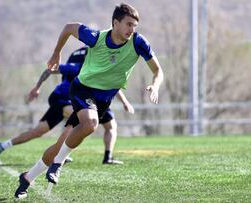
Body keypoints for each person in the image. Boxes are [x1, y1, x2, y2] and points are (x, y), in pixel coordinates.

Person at [14, 3, 164, 198]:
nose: (132, 29)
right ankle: (58, 164)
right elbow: (69, 27)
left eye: (134, 26)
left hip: (103, 99)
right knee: (91, 124)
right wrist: (56, 53)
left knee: (61, 144)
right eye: (128, 24)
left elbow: (158, 70)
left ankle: (27, 177)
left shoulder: (138, 42)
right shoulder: (95, 37)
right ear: (115, 23)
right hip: (82, 89)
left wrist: (155, 85)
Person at [0, 46, 134, 165]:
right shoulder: (77, 68)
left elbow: (112, 85)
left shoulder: (100, 70)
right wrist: (37, 88)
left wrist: (125, 102)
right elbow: (50, 69)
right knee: (81, 119)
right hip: (61, 99)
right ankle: (60, 155)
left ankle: (3, 145)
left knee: (38, 131)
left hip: (85, 101)